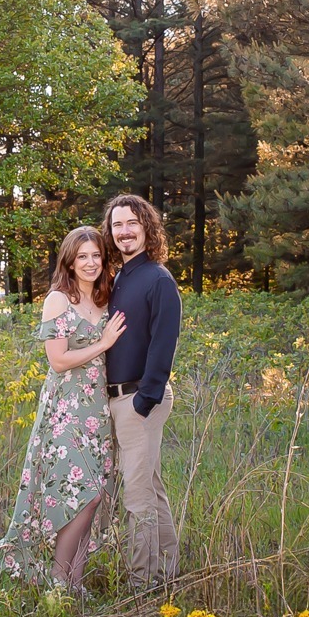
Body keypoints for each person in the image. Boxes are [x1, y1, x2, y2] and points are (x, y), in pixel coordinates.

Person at [0, 226, 126, 589]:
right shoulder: (58, 299)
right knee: (82, 493)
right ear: (69, 261)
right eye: (82, 256)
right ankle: (59, 581)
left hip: (99, 411)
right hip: (66, 410)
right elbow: (58, 360)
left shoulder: (106, 298)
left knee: (95, 495)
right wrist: (102, 344)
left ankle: (74, 583)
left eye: (96, 255)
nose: (90, 263)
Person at [101, 193, 182, 589]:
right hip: (118, 399)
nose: (124, 231)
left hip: (140, 399)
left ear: (147, 228)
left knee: (136, 498)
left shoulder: (159, 279)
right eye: (117, 225)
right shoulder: (121, 278)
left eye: (132, 223)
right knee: (151, 488)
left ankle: (141, 586)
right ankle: (165, 572)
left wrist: (143, 400)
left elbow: (164, 344)